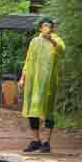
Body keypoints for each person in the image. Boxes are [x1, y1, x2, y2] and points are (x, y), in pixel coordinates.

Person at [19, 18, 65, 154]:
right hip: (33, 81)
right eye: (44, 26)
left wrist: (51, 40)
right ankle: (35, 140)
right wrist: (23, 77)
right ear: (40, 28)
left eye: (49, 26)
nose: (46, 28)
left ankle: (46, 142)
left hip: (48, 82)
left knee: (48, 110)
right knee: (32, 109)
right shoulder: (34, 41)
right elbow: (28, 60)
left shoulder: (57, 40)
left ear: (52, 28)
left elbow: (62, 51)